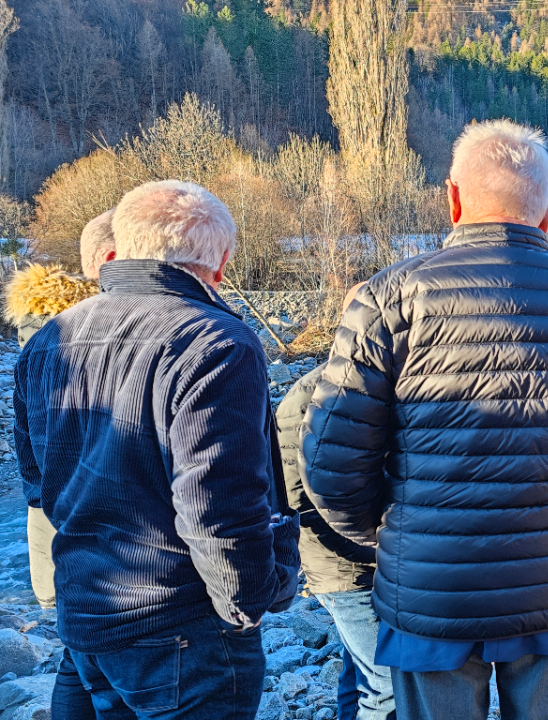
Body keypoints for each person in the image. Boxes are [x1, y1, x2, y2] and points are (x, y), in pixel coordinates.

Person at [300, 119, 548, 720]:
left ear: (453, 199)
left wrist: (391, 529)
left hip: (431, 593)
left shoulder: (390, 298)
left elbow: (330, 460)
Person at [13, 180, 300, 719]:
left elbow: (38, 483)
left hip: (86, 610)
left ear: (121, 247)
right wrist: (248, 606)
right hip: (180, 626)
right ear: (221, 263)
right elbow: (220, 504)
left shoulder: (49, 338)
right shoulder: (216, 343)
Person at [277, 282, 395, 720]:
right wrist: (371, 544)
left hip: (381, 565)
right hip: (344, 571)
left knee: (359, 673)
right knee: (386, 683)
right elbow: (293, 500)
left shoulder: (381, 386)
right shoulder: (311, 395)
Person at [5, 208, 116, 611]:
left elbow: (23, 439)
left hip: (45, 497)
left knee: (58, 604)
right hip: (100, 500)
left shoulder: (28, 350)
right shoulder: (84, 340)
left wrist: (36, 493)